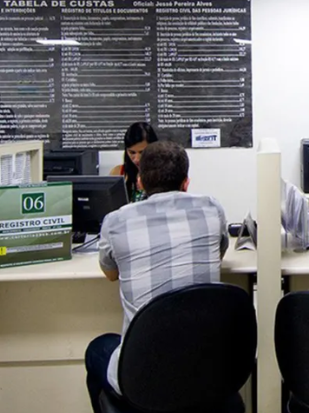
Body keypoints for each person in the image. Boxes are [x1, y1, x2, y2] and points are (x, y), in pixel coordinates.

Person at [85, 140, 229, 413]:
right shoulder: (212, 209)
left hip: (143, 376)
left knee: (98, 349)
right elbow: (219, 253)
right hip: (206, 372)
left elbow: (110, 273)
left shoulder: (116, 222)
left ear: (140, 183)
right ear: (186, 183)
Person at [109, 122, 158, 202]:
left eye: (142, 152)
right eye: (132, 153)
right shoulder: (118, 173)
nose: (137, 159)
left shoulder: (164, 174)